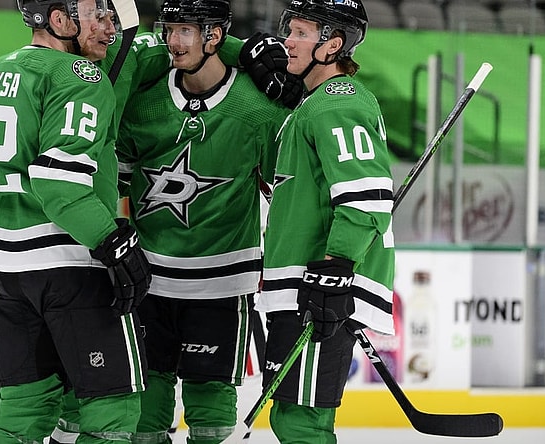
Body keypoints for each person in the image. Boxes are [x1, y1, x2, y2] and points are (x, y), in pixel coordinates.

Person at [0, 1, 151, 443]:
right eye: (98, 16)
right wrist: (112, 241)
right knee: (111, 409)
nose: (110, 28)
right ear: (58, 20)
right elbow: (59, 185)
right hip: (71, 263)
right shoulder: (80, 75)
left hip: (6, 276)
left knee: (22, 412)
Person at [115, 1, 289, 442]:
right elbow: (116, 182)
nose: (173, 41)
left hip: (222, 285)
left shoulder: (260, 114)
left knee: (211, 420)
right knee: (143, 415)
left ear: (214, 37)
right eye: (170, 29)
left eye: (186, 31)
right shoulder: (145, 103)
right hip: (148, 281)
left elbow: (285, 192)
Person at [256, 0, 396, 442]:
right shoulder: (311, 105)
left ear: (332, 45)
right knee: (292, 417)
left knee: (302, 422)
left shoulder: (338, 102)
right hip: (306, 282)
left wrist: (336, 267)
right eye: (289, 30)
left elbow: (367, 197)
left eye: (300, 33)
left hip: (320, 282)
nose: (287, 42)